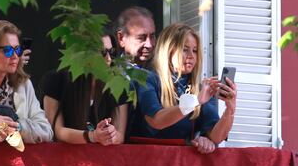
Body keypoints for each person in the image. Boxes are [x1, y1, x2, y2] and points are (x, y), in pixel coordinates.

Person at [130, 23, 237, 154]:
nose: (191, 56)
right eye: (185, 49)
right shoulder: (147, 79)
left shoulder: (201, 89)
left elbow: (216, 136)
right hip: (145, 160)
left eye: (195, 50)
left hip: (179, 164)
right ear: (169, 50)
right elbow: (156, 121)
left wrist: (230, 108)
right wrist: (196, 101)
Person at [42, 27, 127, 145]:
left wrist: (110, 134)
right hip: (64, 158)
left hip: (102, 158)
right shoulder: (57, 80)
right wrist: (92, 136)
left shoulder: (117, 84)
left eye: (111, 52)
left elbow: (120, 135)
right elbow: (57, 132)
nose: (108, 59)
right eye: (102, 52)